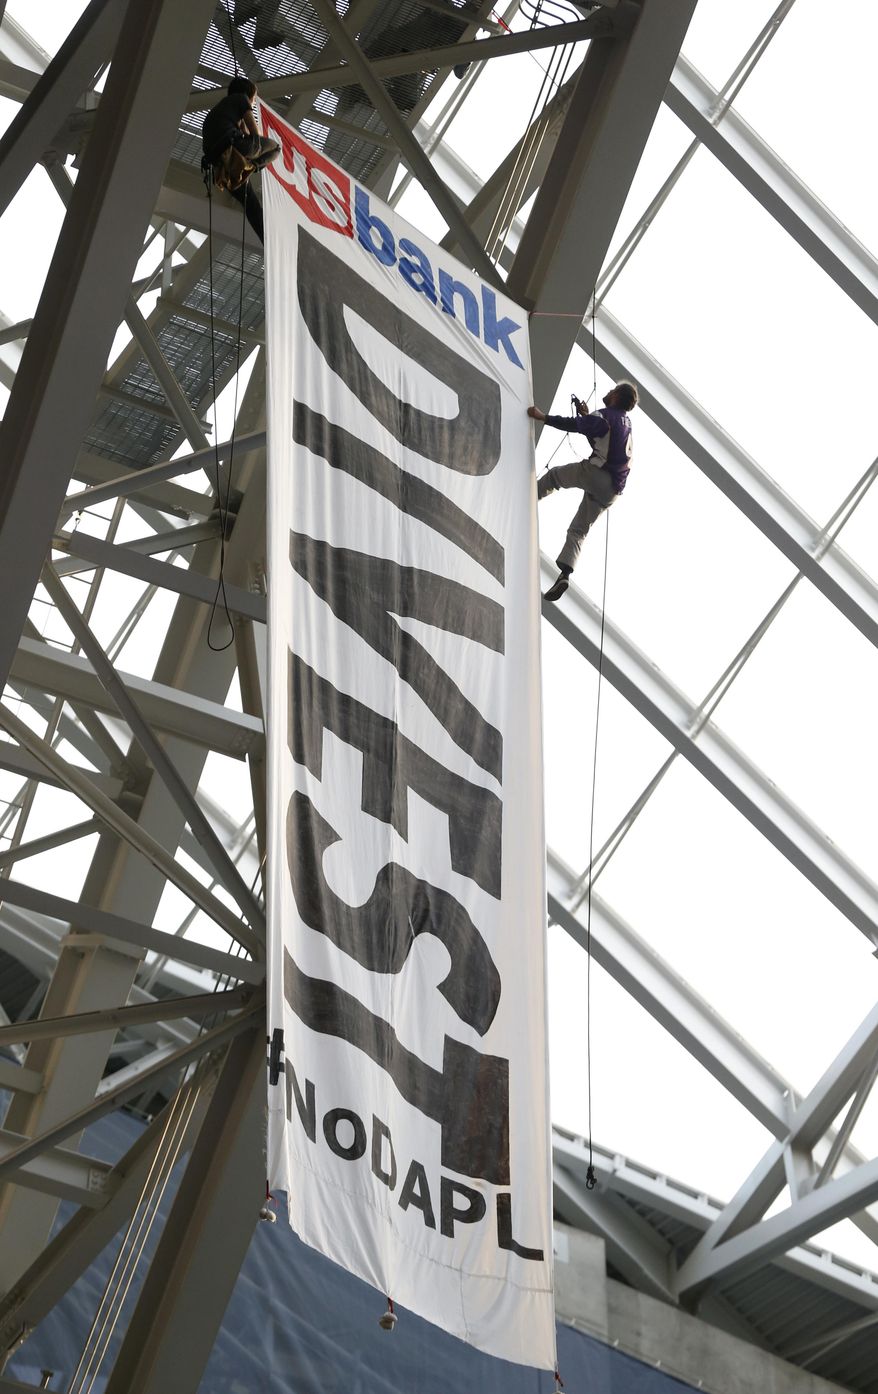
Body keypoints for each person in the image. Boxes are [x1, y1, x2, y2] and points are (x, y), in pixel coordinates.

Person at [528, 381, 638, 602]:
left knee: (554, 477)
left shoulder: (607, 415)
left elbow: (575, 426)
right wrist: (586, 416)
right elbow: (601, 442)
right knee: (579, 530)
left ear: (616, 396)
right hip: (612, 491)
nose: (607, 392)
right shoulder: (626, 423)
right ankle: (565, 574)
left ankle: (525, 500)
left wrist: (543, 417)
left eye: (611, 390)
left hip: (597, 473)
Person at [202, 76, 279, 244]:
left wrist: (240, 125)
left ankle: (267, 241)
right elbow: (254, 134)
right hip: (234, 150)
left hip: (220, 164)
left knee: (249, 203)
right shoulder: (241, 99)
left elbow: (240, 132)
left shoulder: (221, 111)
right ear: (248, 94)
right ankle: (251, 166)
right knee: (275, 147)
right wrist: (255, 155)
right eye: (254, 98)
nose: (253, 102)